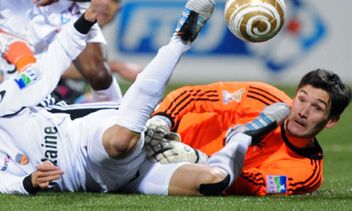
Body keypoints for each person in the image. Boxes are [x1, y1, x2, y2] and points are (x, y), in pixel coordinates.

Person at [0, 0, 272, 196]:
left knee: (118, 139)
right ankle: (241, 137)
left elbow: (49, 67)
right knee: (213, 182)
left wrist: (88, 16)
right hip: (111, 181)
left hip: (86, 137)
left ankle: (180, 40)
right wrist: (28, 182)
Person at [144, 72, 351, 196]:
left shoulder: (307, 173)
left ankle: (237, 140)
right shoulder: (264, 96)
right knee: (118, 143)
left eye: (317, 108)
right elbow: (193, 96)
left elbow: (256, 185)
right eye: (302, 99)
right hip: (160, 132)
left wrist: (196, 160)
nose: (303, 112)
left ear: (331, 120)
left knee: (214, 182)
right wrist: (162, 120)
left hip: (185, 172)